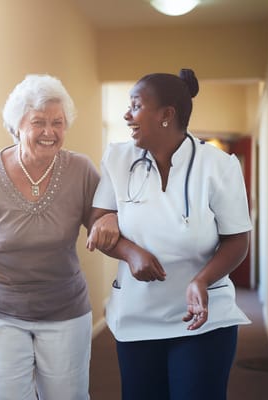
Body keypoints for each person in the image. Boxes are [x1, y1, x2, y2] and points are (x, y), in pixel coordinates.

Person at [0, 74, 117, 400]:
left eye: (58, 122)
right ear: (17, 127)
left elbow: (102, 216)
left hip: (64, 307)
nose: (50, 132)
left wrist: (108, 217)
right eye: (38, 122)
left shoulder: (80, 170)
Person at [87, 69, 252, 400]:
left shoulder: (219, 166)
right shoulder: (118, 160)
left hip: (203, 318)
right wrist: (130, 251)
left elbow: (237, 240)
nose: (126, 115)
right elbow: (99, 223)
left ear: (166, 115)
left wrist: (202, 280)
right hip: (137, 315)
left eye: (135, 106)